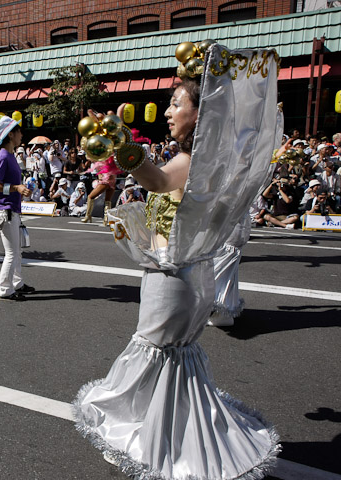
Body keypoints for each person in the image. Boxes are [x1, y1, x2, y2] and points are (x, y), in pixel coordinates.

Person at [74, 43, 281, 479]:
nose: (167, 111)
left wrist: (123, 147)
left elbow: (159, 178)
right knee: (173, 358)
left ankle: (158, 443)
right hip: (191, 274)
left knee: (155, 353)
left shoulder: (192, 162)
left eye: (175, 103)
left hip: (174, 278)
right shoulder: (210, 162)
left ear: (199, 113)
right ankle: (169, 435)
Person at [0, 115, 33, 301]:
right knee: (12, 253)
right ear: (11, 134)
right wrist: (16, 188)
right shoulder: (3, 156)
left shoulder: (10, 155)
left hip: (11, 208)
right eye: (19, 131)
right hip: (4, 210)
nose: (21, 134)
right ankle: (5, 289)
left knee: (17, 251)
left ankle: (17, 283)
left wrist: (18, 189)